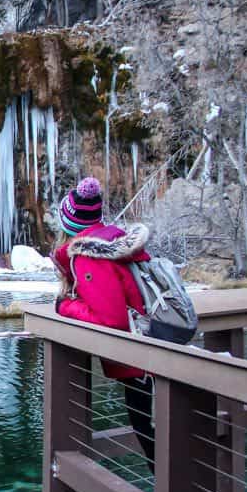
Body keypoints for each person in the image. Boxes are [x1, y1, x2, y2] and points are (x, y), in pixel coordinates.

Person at [52, 177, 155, 472]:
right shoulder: (115, 241)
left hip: (140, 360)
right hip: (154, 349)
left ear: (69, 222)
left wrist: (65, 306)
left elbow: (111, 321)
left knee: (150, 437)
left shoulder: (90, 256)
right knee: (156, 431)